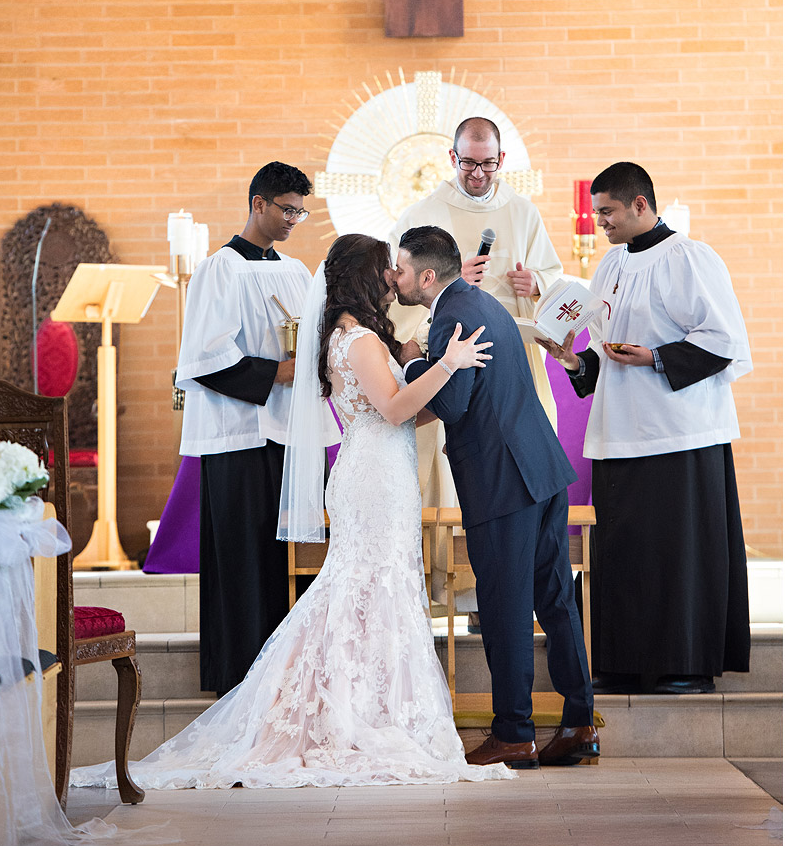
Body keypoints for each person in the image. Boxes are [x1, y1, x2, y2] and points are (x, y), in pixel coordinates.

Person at [72, 235, 512, 789]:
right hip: (373, 481)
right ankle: (343, 712)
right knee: (363, 587)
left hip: (380, 470)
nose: (393, 279)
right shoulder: (358, 341)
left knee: (374, 589)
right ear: (363, 278)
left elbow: (401, 416)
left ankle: (364, 704)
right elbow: (397, 407)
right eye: (386, 270)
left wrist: (437, 384)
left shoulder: (359, 339)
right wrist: (446, 364)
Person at [537, 162, 752, 695]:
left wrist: (655, 357)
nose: (600, 222)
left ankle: (687, 663)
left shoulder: (689, 258)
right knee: (623, 549)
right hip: (620, 431)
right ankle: (623, 661)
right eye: (597, 212)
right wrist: (573, 360)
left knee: (679, 550)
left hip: (680, 433)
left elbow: (725, 342)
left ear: (639, 205)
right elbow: (608, 356)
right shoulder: (609, 265)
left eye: (607, 211)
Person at [396, 226, 598, 768]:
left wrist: (413, 363)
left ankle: (514, 734)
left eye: (401, 269)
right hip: (542, 469)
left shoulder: (448, 319)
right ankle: (579, 722)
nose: (397, 278)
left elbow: (455, 404)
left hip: (502, 481)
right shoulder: (483, 301)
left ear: (427, 276)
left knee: (505, 607)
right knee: (555, 601)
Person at [388, 117, 564, 622]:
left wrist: (537, 283)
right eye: (469, 164)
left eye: (489, 164)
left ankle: (502, 603)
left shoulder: (522, 212)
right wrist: (447, 284)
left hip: (512, 370)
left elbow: (553, 279)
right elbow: (397, 294)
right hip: (452, 373)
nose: (479, 174)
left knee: (514, 482)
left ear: (502, 161)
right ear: (452, 159)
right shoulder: (424, 213)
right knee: (451, 476)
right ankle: (450, 593)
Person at [174, 161, 312, 696]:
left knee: (285, 557)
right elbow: (205, 355)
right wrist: (277, 373)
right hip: (238, 435)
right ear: (258, 203)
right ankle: (240, 680)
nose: (294, 219)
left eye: (300, 210)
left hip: (288, 434)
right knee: (244, 556)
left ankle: (284, 679)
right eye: (287, 209)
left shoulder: (297, 272)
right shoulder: (220, 269)